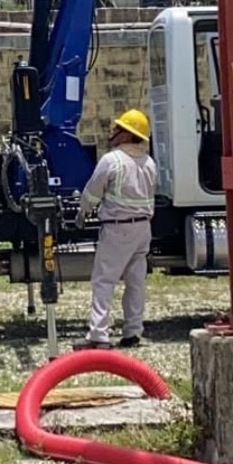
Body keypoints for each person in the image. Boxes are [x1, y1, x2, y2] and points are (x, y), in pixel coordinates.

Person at [72, 109, 157, 351]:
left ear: (127, 134)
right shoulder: (149, 163)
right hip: (143, 229)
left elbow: (92, 191)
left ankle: (99, 335)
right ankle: (133, 332)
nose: (112, 131)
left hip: (118, 229)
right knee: (136, 283)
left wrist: (82, 211)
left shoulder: (112, 160)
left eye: (117, 128)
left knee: (104, 281)